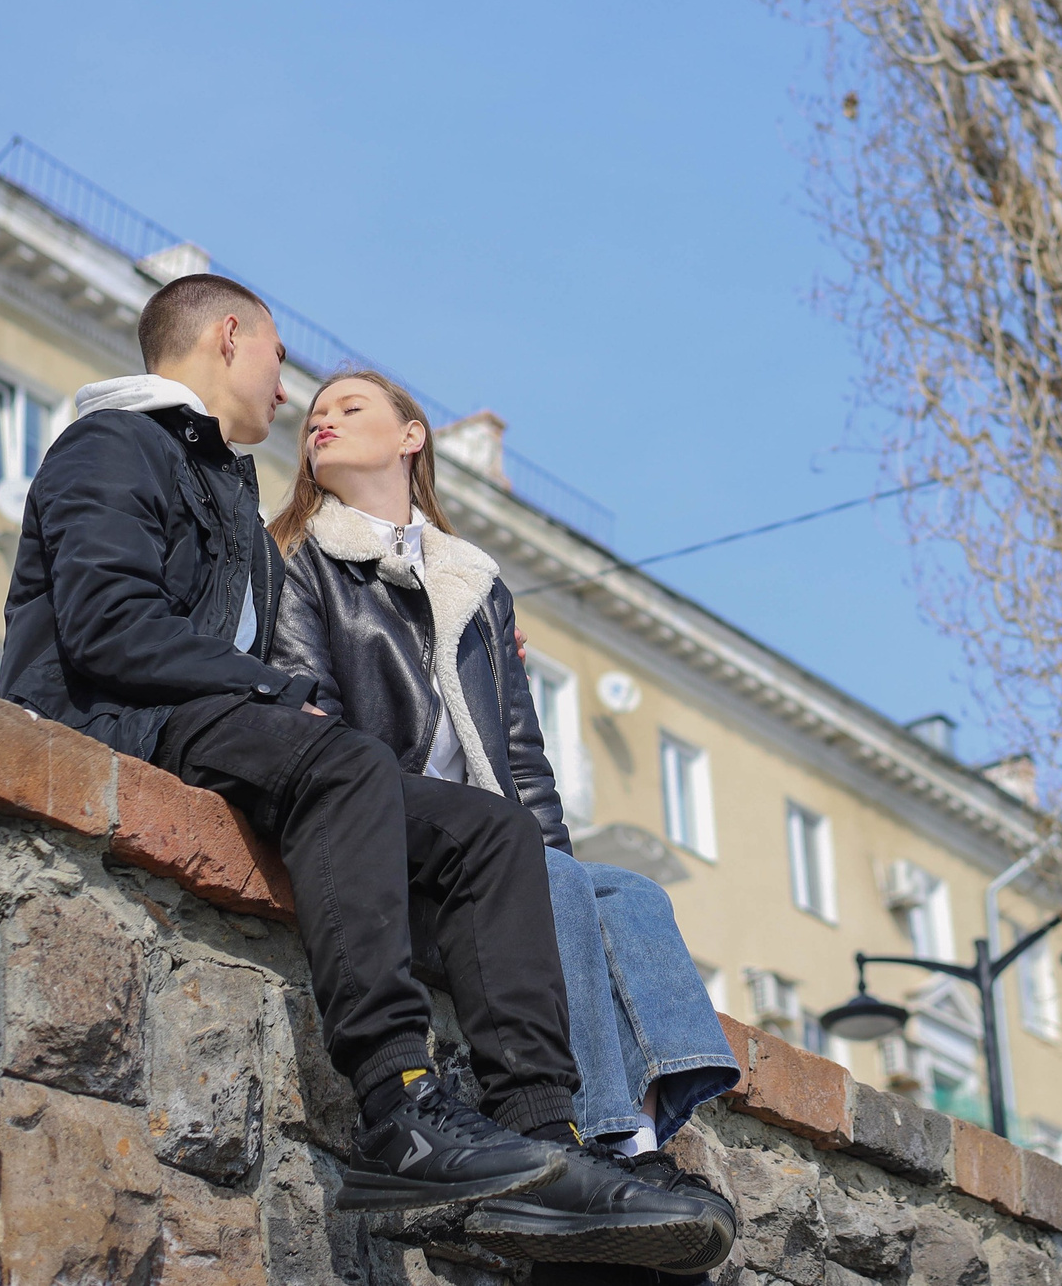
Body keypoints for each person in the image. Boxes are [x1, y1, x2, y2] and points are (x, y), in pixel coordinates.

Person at [0, 274, 705, 1259]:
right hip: (124, 722)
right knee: (344, 764)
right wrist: (274, 697)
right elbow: (106, 626)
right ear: (230, 337)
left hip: (213, 728)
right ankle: (402, 1108)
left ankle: (539, 1149)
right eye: (282, 361)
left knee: (490, 833)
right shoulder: (114, 443)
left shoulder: (229, 493)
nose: (286, 392)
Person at [269, 367, 741, 1277]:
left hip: (492, 848)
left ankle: (643, 1146)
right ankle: (594, 1144)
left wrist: (552, 882)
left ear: (412, 435)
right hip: (396, 844)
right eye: (314, 415)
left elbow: (521, 758)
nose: (320, 420)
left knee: (629, 894)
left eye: (349, 407)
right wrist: (538, 876)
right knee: (551, 875)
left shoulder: (473, 582)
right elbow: (309, 715)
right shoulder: (300, 557)